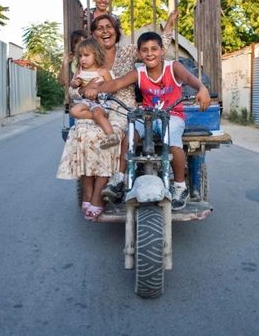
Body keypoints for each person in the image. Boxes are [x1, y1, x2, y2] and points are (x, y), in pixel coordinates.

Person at [56, 12, 177, 220]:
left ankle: (100, 192)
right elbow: (74, 90)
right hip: (94, 108)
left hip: (123, 108)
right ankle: (87, 191)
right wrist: (84, 90)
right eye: (100, 28)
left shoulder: (128, 51)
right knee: (82, 132)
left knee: (112, 136)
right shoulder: (87, 56)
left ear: (116, 30)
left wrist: (168, 28)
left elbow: (156, 50)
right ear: (93, 34)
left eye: (109, 27)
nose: (105, 31)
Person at [85, 30, 211, 209]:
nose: (150, 53)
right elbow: (116, 83)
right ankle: (119, 179)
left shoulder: (172, 67)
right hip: (146, 116)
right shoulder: (139, 72)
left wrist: (202, 88)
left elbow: (190, 78)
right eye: (144, 50)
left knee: (173, 143)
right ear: (139, 53)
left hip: (172, 115)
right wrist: (95, 90)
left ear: (161, 51)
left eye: (154, 49)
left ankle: (180, 186)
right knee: (128, 137)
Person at [68, 38, 120, 150]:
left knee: (97, 112)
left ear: (96, 54)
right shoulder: (80, 71)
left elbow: (113, 88)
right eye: (80, 56)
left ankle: (111, 136)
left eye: (86, 55)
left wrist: (101, 87)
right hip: (86, 102)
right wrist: (75, 83)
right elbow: (73, 85)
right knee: (74, 111)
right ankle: (99, 118)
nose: (82, 59)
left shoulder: (103, 71)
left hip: (101, 102)